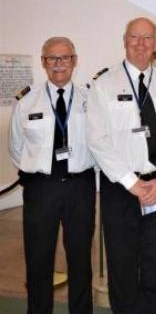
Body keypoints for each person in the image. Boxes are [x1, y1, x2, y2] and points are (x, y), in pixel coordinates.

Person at [86, 17, 156, 314]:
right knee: (122, 262)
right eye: (135, 37)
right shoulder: (104, 84)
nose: (141, 44)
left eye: (147, 39)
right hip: (121, 188)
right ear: (125, 41)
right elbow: (97, 139)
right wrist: (132, 182)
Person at [8, 36, 95, 314]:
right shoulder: (27, 101)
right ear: (44, 62)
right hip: (41, 190)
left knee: (81, 259)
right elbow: (16, 147)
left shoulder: (90, 100)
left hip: (79, 187)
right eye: (53, 58)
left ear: (75, 61)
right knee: (38, 258)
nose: (59, 64)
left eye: (65, 58)